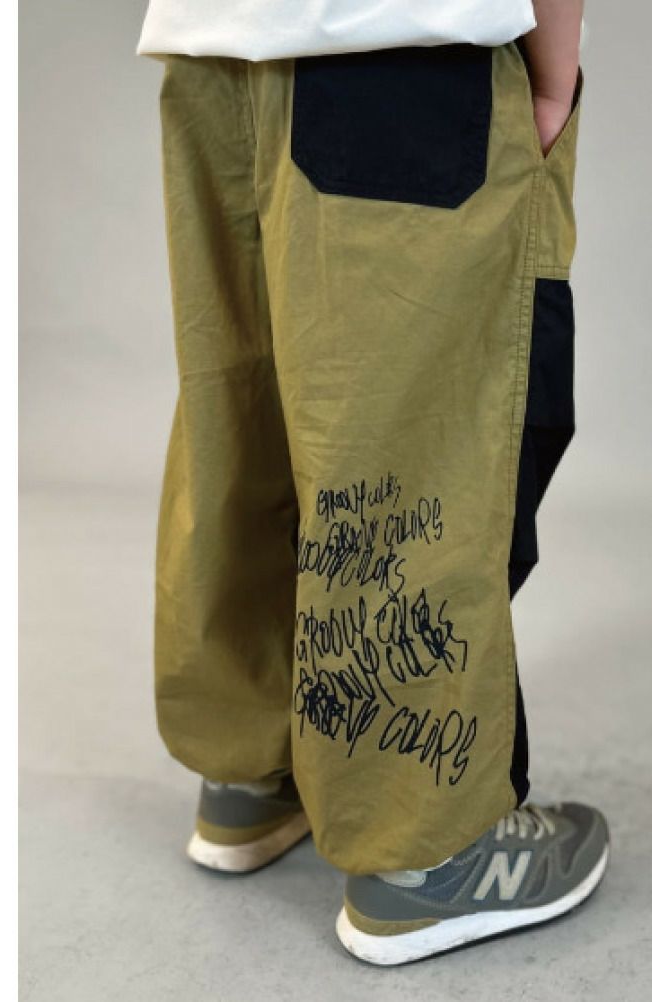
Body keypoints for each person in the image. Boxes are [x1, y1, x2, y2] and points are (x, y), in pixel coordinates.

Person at [136, 0, 608, 965]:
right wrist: (554, 72)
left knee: (244, 410)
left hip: (209, 54)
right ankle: (425, 851)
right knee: (415, 444)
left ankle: (252, 770)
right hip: (407, 54)